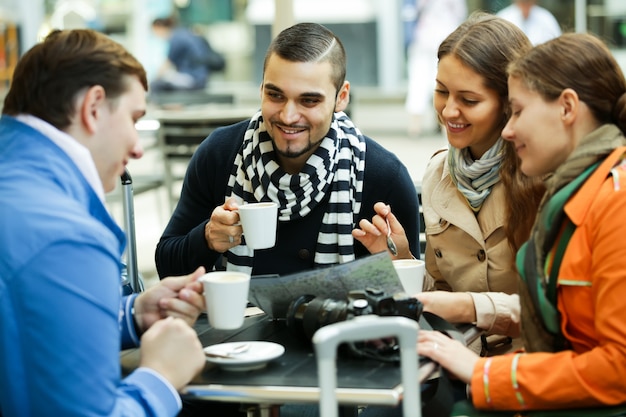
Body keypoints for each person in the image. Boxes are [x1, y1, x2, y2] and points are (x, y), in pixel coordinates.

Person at [0, 29, 207, 416]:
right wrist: (161, 376)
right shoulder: (66, 235)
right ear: (93, 107)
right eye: (133, 118)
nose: (138, 146)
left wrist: (130, 314)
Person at [419, 32, 626, 413]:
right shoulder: (581, 192)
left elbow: (618, 367)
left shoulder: (614, 199)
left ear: (567, 108)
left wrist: (484, 374)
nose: (508, 129)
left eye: (517, 111)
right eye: (442, 92)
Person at [155, 22, 419, 279]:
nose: (289, 116)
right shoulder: (219, 154)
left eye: (309, 100)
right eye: (276, 95)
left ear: (341, 97)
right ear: (261, 90)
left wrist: (400, 261)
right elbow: (167, 266)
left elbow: (410, 303)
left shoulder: (382, 176)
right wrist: (206, 238)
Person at [354, 12, 545, 354]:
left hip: (531, 365)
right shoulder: (438, 173)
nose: (448, 111)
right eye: (441, 92)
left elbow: (561, 309)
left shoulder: (544, 172)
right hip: (459, 359)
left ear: (509, 102)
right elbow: (443, 294)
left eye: (469, 100)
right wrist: (398, 258)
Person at [404, 0, 467, 137]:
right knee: (430, 83)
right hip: (433, 41)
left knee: (424, 82)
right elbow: (460, 13)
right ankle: (438, 126)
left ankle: (420, 126)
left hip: (428, 39)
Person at [150, 16, 223, 94]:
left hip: (193, 80)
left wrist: (152, 81)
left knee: (156, 85)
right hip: (202, 79)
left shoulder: (176, 38)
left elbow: (165, 66)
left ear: (159, 27)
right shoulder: (184, 32)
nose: (156, 35)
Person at [497, 0, 561, 45]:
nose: (525, 4)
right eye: (523, 2)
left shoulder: (546, 18)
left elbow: (557, 44)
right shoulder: (503, 17)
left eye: (528, 2)